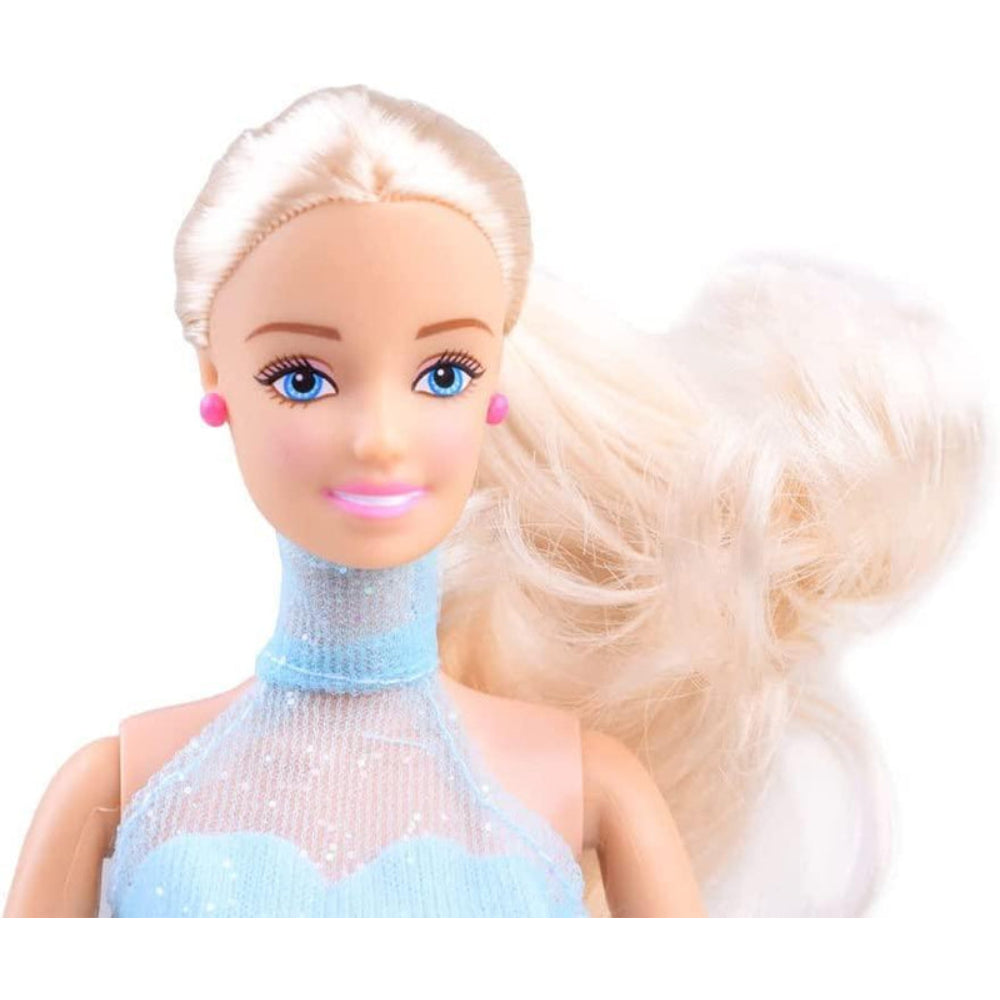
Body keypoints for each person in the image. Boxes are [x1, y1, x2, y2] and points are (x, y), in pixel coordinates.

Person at [3, 84, 983, 917]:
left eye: (443, 374)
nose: (379, 437)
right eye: (302, 377)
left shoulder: (591, 791)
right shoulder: (117, 791)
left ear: (495, 384)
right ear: (216, 377)